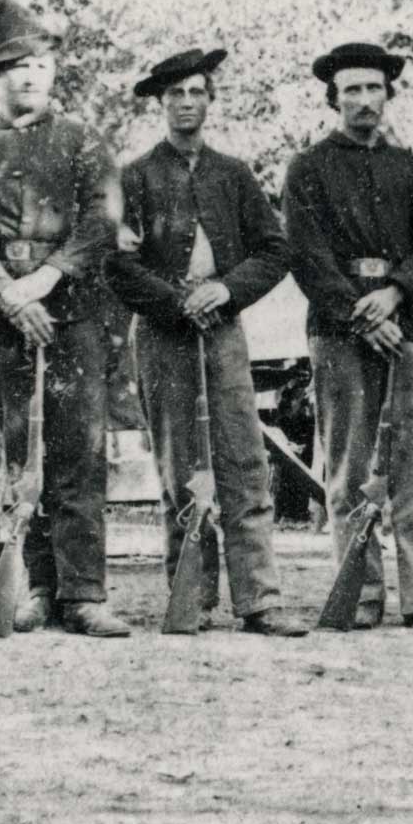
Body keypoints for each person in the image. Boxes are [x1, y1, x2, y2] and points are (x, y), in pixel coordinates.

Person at [104, 47, 309, 637]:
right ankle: (189, 595)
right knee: (179, 466)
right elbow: (117, 265)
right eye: (175, 95)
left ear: (210, 100)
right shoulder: (135, 177)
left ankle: (260, 600)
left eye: (197, 92)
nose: (187, 103)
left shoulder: (235, 174)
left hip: (223, 334)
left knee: (244, 461)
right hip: (165, 339)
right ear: (161, 104)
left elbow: (276, 250)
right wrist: (175, 300)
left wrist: (226, 291)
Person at [282, 42, 413, 632]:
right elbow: (307, 255)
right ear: (334, 99)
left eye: (374, 89)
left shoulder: (409, 167)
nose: (364, 100)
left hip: (408, 331)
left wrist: (396, 292)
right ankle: (361, 594)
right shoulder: (308, 168)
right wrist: (359, 313)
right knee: (348, 464)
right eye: (352, 91)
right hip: (341, 334)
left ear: (388, 95)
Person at [0, 0, 130, 636]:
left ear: (54, 73)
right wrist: (9, 296)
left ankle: (84, 594)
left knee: (78, 447)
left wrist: (46, 281)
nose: (27, 76)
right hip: (3, 322)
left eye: (39, 65)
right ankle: (40, 589)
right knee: (23, 451)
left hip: (72, 315)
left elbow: (102, 221)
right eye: (14, 67)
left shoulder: (83, 142)